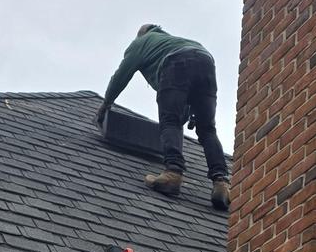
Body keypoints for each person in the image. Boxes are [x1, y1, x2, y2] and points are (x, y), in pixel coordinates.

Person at [96, 24, 230, 211]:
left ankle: (173, 174)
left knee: (170, 120)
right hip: (206, 62)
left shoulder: (141, 42)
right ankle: (221, 184)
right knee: (207, 129)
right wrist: (191, 111)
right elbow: (186, 98)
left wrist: (105, 105)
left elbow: (121, 75)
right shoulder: (178, 42)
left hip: (176, 64)